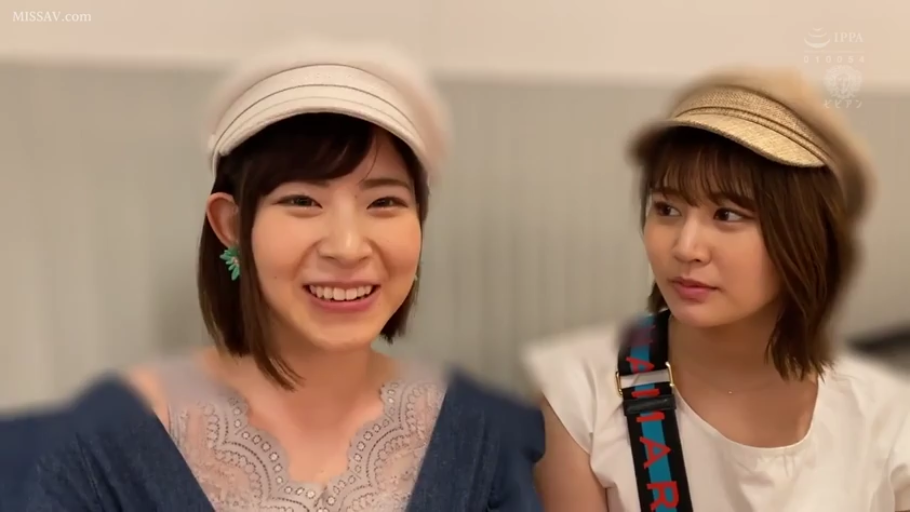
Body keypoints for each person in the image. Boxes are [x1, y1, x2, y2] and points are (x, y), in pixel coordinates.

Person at [16, 39, 544, 512]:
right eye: (302, 201)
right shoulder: (103, 445)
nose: (347, 247)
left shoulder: (482, 437)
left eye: (384, 202)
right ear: (232, 225)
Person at [524, 67, 910, 511]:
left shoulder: (887, 422)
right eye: (666, 209)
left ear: (805, 234)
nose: (685, 247)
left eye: (727, 215)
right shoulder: (582, 397)